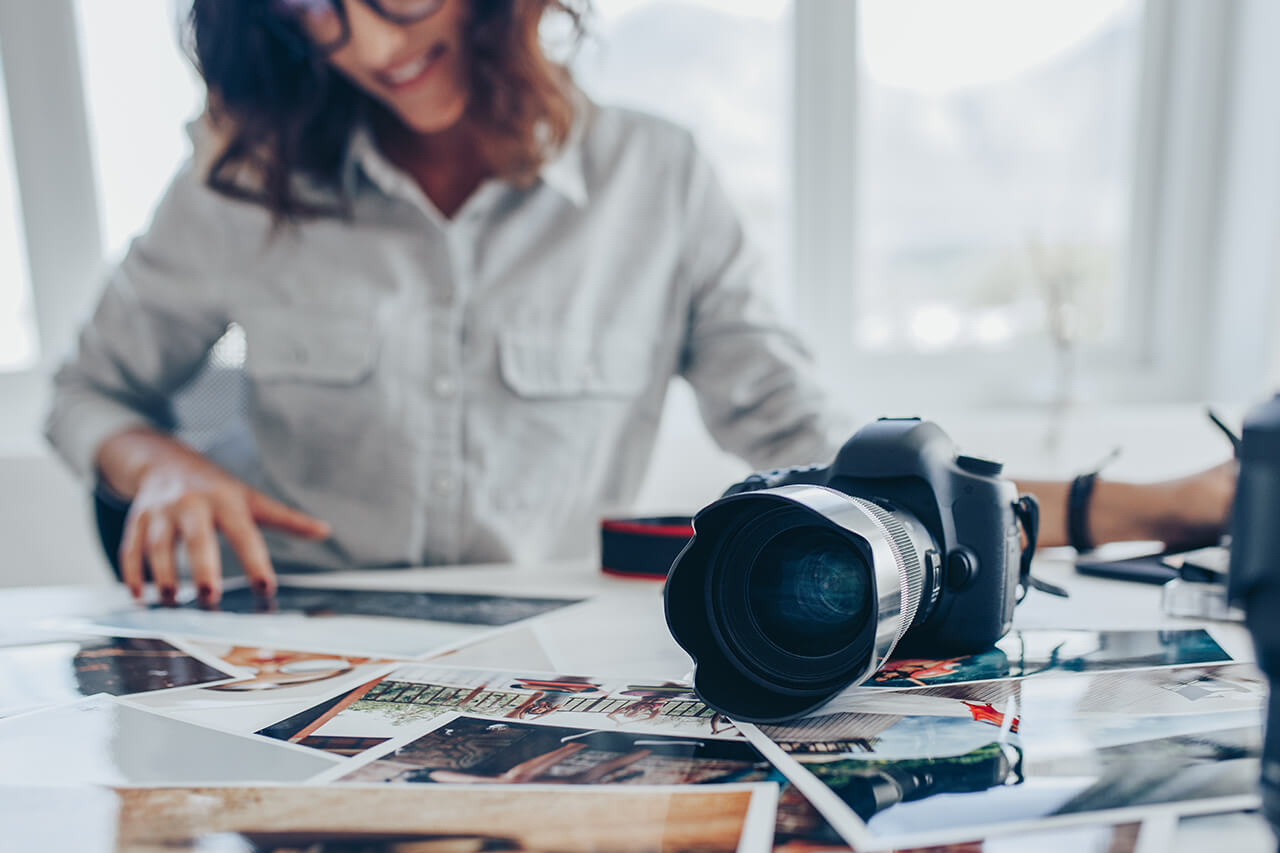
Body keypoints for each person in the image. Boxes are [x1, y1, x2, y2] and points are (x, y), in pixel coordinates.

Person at [45, 0, 1235, 607]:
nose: (364, 42)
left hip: (536, 683)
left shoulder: (658, 181)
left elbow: (827, 455)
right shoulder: (242, 185)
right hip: (287, 665)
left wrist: (1149, 505)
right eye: (315, 4)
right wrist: (155, 464)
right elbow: (89, 392)